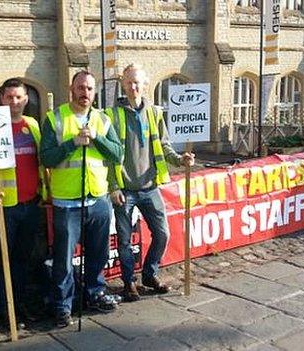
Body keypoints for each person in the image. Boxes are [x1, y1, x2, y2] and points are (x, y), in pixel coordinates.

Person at [41, 70, 123, 328]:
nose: (84, 93)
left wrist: (96, 138)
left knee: (98, 253)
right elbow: (46, 157)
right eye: (80, 88)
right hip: (67, 201)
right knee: (64, 261)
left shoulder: (102, 119)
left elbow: (117, 154)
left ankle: (94, 293)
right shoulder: (54, 118)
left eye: (89, 88)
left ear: (94, 92)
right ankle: (62, 305)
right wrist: (73, 143)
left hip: (97, 198)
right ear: (71, 89)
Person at [106, 64, 194, 302]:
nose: (133, 87)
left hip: (149, 187)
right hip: (124, 189)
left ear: (145, 85)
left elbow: (163, 145)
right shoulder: (112, 115)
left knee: (162, 234)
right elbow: (108, 155)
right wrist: (113, 186)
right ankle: (128, 283)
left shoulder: (154, 113)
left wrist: (179, 159)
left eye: (137, 82)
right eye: (128, 82)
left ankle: (149, 274)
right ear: (123, 85)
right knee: (124, 241)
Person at [0, 78, 47, 327]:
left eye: (19, 97)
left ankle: (19, 305)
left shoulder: (33, 124)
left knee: (23, 260)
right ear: (1, 99)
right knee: (0, 261)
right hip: (3, 206)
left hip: (30, 204)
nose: (14, 102)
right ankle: (4, 310)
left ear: (26, 99)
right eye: (9, 97)